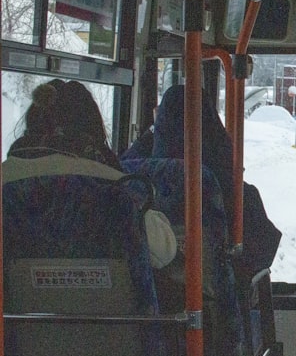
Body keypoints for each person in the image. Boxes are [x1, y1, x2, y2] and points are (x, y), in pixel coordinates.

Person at [3, 79, 177, 268]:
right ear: (92, 126)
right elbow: (164, 251)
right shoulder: (111, 184)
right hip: (100, 295)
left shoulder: (6, 181)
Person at [151, 84, 281, 277]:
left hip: (150, 296)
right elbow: (262, 250)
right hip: (216, 299)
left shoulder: (137, 182)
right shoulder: (229, 192)